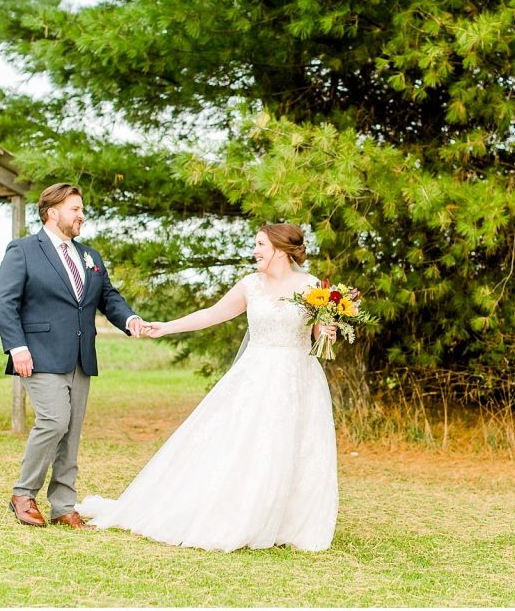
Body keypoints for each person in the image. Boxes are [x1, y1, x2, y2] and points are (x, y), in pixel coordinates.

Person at [77, 223, 339, 551]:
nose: (255, 250)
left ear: (281, 248)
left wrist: (326, 331)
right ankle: (242, 515)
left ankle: (287, 523)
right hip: (256, 377)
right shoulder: (250, 285)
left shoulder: (311, 287)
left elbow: (317, 336)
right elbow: (212, 315)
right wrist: (165, 328)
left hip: (299, 377)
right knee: (249, 444)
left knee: (294, 447)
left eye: (260, 244)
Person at [0, 183, 147, 530]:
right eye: (75, 209)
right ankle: (23, 493)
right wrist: (17, 347)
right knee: (53, 421)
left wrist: (130, 319)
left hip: (80, 356)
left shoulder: (90, 255)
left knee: (71, 432)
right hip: (38, 354)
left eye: (81, 209)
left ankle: (63, 505)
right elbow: (5, 302)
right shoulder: (23, 250)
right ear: (52, 212)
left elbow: (109, 297)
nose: (81, 215)